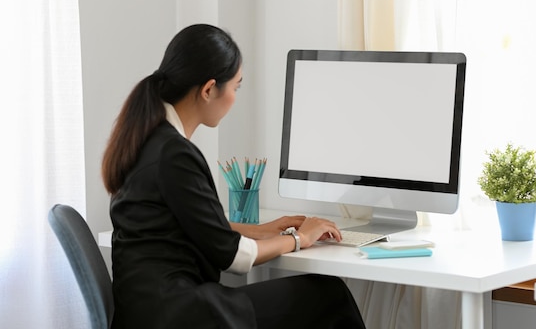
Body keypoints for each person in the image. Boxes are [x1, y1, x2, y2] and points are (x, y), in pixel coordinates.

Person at [100, 24, 366, 329]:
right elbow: (234, 259)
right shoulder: (174, 154)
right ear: (209, 89)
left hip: (147, 311)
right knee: (328, 294)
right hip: (178, 314)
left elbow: (186, 223)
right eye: (236, 87)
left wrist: (262, 230)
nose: (235, 98)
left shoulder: (148, 138)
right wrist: (300, 238)